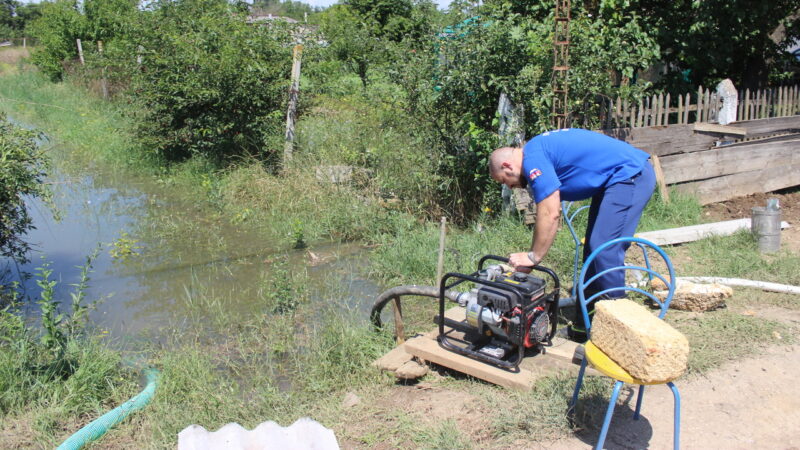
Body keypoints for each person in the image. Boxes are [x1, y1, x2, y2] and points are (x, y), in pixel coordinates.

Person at [488, 128, 656, 341]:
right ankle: (582, 329)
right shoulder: (535, 151)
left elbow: (550, 213)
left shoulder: (533, 159)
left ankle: (621, 336)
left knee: (604, 250)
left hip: (631, 175)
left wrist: (533, 257)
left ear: (507, 166)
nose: (510, 186)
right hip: (614, 181)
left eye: (504, 180)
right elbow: (548, 209)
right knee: (593, 253)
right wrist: (533, 256)